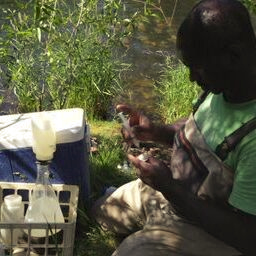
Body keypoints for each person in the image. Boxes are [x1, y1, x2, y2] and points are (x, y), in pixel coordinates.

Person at [92, 0, 256, 255]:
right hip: (173, 194)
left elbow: (246, 235)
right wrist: (156, 131)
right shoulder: (225, 84)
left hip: (212, 230)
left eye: (197, 67)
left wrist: (169, 187)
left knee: (129, 252)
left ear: (233, 55)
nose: (192, 78)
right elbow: (200, 127)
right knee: (102, 212)